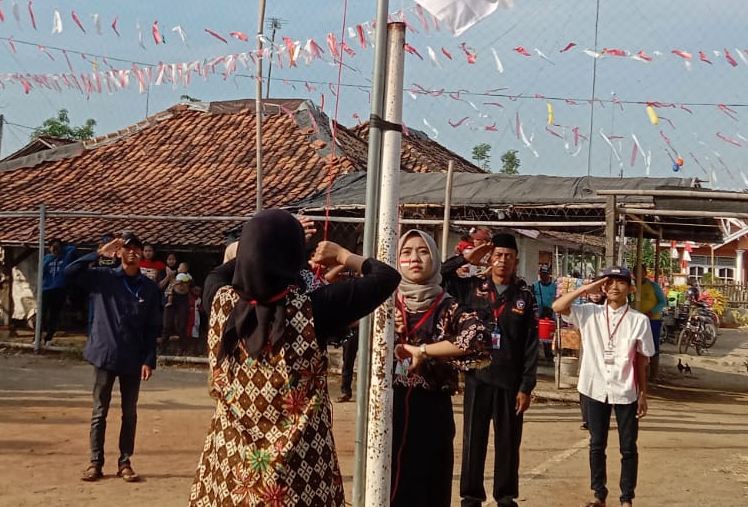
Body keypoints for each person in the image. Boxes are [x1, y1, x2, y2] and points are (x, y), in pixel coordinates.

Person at [190, 210, 400, 507]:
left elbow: (220, 272)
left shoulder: (219, 299)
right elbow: (386, 277)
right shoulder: (316, 308)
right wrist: (342, 255)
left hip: (232, 467)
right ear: (292, 256)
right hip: (302, 469)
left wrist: (258, 246)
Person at [389, 230, 490, 506]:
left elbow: (478, 337)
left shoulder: (447, 306)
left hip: (432, 411)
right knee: (389, 486)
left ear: (433, 258)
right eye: (406, 252)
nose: (414, 258)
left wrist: (424, 351)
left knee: (429, 487)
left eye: (423, 251)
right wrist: (383, 327)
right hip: (388, 410)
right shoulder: (385, 304)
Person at [445, 234, 541, 507]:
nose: (502, 261)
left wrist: (526, 386)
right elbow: (440, 277)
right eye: (497, 255)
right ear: (489, 258)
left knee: (508, 443)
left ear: (516, 261)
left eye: (508, 256)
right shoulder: (473, 288)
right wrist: (465, 258)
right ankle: (471, 496)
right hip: (477, 377)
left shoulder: (524, 296)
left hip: (510, 382)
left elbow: (531, 344)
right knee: (473, 440)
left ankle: (506, 496)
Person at [64, 233, 165, 483]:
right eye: (126, 248)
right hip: (105, 354)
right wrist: (99, 252)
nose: (132, 252)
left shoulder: (149, 289)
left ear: (141, 254)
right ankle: (95, 462)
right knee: (100, 411)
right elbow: (69, 273)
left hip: (133, 357)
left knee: (129, 413)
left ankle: (125, 462)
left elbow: (153, 328)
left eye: (136, 249)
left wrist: (149, 359)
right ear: (119, 253)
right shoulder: (102, 278)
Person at [555, 266, 655, 507]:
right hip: (594, 387)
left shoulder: (638, 321)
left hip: (625, 390)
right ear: (602, 287)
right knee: (596, 444)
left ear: (630, 288)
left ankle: (626, 498)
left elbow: (643, 360)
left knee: (628, 447)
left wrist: (643, 393)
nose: (613, 287)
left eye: (620, 282)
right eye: (608, 282)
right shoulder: (588, 313)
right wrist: (585, 289)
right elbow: (558, 307)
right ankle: (599, 494)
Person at [39, 239, 76, 343]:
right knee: (42, 314)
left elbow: (73, 249)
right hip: (46, 288)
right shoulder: (46, 258)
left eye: (57, 247)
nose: (55, 249)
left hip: (59, 289)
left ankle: (48, 338)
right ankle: (37, 336)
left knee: (54, 315)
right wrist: (51, 256)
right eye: (53, 247)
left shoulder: (65, 257)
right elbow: (41, 271)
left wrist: (62, 247)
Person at [159, 263, 195, 355]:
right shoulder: (173, 275)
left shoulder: (188, 277)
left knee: (182, 326)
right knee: (167, 325)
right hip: (172, 298)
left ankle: (182, 349)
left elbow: (191, 285)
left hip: (183, 299)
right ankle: (162, 349)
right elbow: (168, 286)